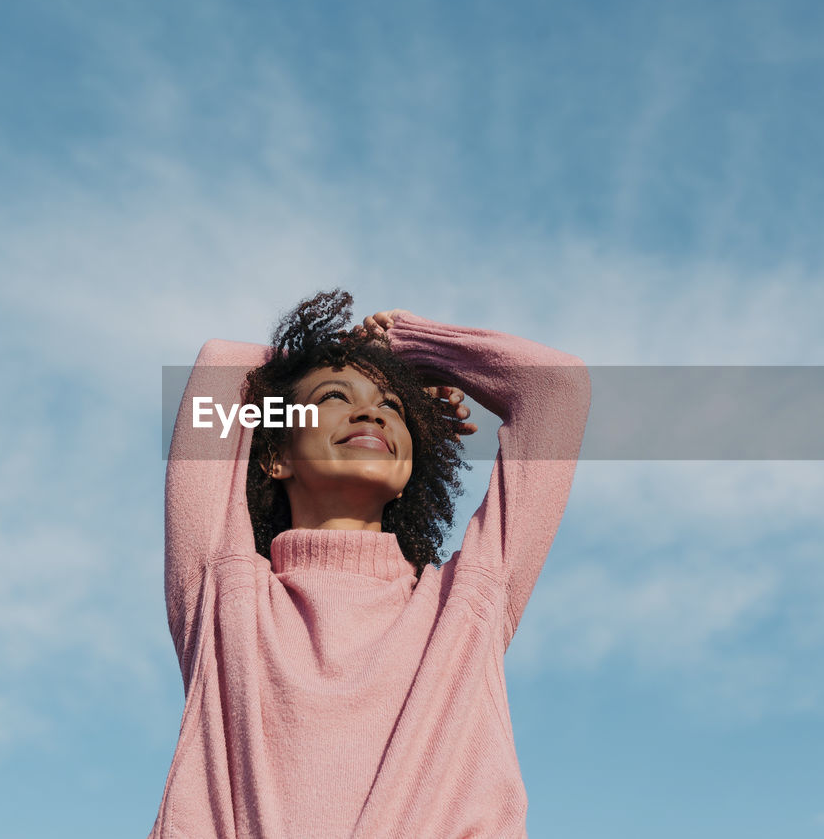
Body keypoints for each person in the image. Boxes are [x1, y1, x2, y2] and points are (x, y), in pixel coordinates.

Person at [152, 290, 591, 838]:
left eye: (393, 407)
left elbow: (556, 387)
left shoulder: (465, 606)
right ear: (275, 455)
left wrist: (409, 347)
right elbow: (223, 367)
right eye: (337, 396)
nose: (370, 412)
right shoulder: (222, 591)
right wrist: (333, 354)